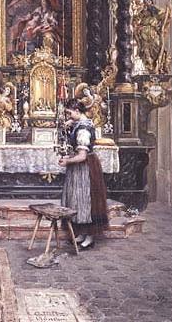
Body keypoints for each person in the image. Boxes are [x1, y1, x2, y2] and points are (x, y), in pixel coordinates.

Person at [59, 99, 108, 249]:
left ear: (77, 111)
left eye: (69, 113)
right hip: (81, 167)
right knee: (78, 200)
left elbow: (82, 156)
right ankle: (82, 234)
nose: (68, 116)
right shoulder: (81, 123)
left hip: (85, 168)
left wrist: (67, 161)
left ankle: (90, 237)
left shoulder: (83, 130)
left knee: (86, 201)